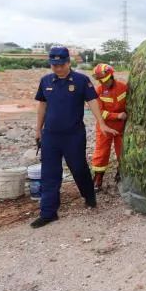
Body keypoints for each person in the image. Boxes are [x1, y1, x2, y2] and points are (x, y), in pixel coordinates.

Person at [32, 47, 118, 228]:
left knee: (79, 169)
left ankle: (89, 197)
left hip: (73, 135)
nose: (58, 68)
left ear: (68, 63)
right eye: (54, 65)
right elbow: (42, 106)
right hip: (51, 136)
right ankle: (48, 212)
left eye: (61, 65)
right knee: (49, 174)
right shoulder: (46, 81)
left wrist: (102, 123)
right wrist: (38, 129)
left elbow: (93, 101)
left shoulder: (81, 80)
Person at [90, 63, 127, 191]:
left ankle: (121, 173)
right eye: (101, 81)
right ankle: (98, 178)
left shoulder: (123, 87)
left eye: (105, 81)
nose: (103, 83)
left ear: (112, 76)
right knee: (101, 152)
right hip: (104, 126)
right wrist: (117, 116)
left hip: (121, 127)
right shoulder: (98, 91)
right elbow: (100, 112)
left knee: (122, 151)